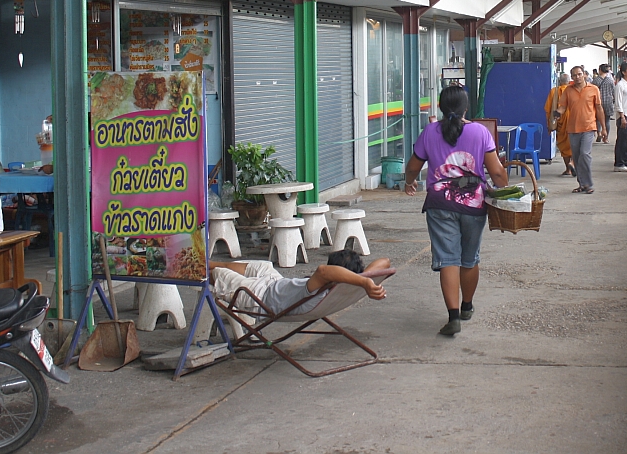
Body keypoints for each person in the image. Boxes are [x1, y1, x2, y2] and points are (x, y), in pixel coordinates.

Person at [403, 86, 509, 336]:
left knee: (447, 258)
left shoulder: (429, 132)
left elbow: (412, 166)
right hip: (473, 204)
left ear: (440, 107)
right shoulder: (480, 132)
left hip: (439, 203)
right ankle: (467, 307)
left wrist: (409, 182)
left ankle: (452, 317)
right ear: (466, 108)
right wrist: (505, 189)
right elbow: (496, 171)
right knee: (469, 258)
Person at [210, 248, 389, 327]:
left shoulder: (317, 289)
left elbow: (323, 271)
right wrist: (364, 279)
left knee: (220, 273)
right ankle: (210, 262)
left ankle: (196, 268)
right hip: (275, 283)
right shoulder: (347, 286)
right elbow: (385, 261)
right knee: (263, 266)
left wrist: (364, 282)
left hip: (258, 297)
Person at [554, 65, 606, 194]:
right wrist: (557, 113)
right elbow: (562, 107)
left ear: (584, 74)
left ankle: (589, 184)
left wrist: (603, 128)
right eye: (574, 75)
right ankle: (582, 184)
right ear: (571, 77)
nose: (577, 77)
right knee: (576, 157)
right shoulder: (568, 91)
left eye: (579, 74)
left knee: (585, 154)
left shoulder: (593, 89)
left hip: (589, 127)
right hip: (572, 128)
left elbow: (599, 109)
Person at [545, 71, 575, 176]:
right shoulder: (573, 91)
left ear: (559, 81)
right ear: (569, 81)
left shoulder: (554, 91)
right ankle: (573, 163)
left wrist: (549, 125)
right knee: (575, 145)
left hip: (560, 123)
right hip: (574, 122)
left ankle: (568, 169)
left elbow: (548, 110)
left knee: (563, 146)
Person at [591, 64, 615, 143]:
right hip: (608, 102)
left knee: (598, 120)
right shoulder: (610, 80)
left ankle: (599, 134)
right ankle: (606, 138)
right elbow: (613, 92)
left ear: (600, 70)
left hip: (598, 103)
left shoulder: (595, 80)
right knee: (607, 120)